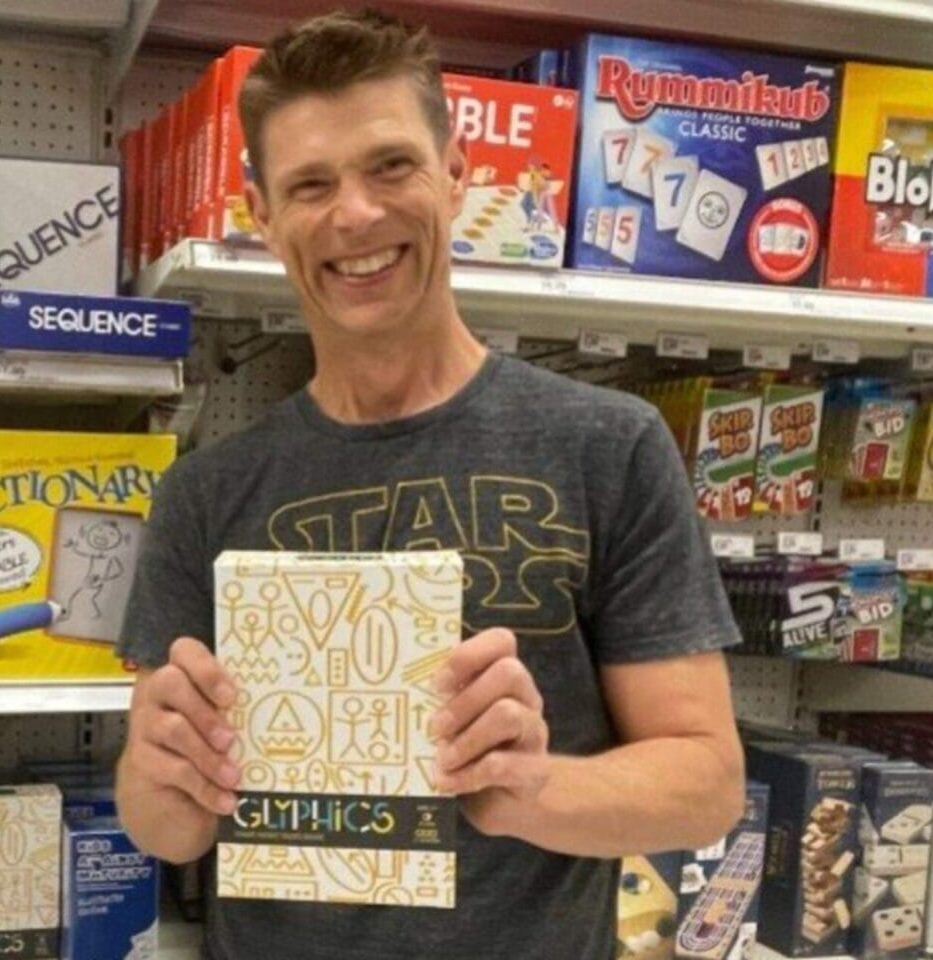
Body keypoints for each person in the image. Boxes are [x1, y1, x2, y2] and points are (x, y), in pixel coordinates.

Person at [112, 12, 744, 960]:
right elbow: (167, 829)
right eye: (311, 185)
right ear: (261, 214)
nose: (356, 215)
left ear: (455, 173)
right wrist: (160, 769)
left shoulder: (607, 447)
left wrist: (532, 789)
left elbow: (707, 785)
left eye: (391, 166)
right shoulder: (207, 490)